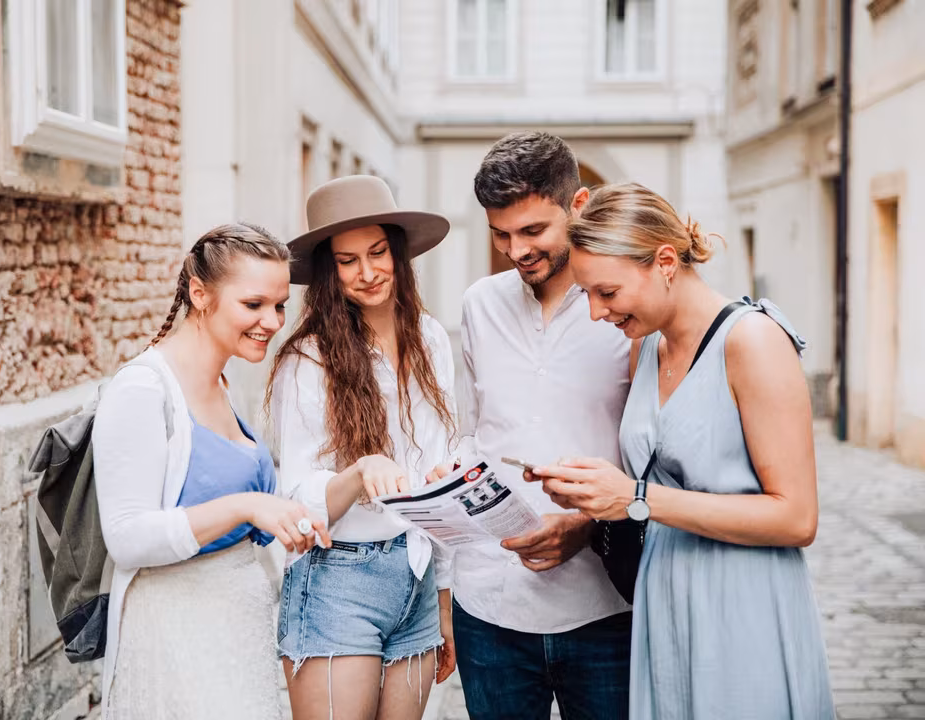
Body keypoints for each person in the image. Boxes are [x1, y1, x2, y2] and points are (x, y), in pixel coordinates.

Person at [530, 182, 835, 719]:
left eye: (607, 292)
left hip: (743, 601)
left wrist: (636, 498)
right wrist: (590, 499)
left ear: (666, 262)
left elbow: (797, 518)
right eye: (587, 295)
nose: (597, 312)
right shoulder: (645, 345)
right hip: (662, 595)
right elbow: (651, 478)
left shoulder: (753, 341)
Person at [92, 224, 331, 720]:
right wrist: (246, 506)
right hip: (176, 636)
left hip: (237, 635)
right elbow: (127, 538)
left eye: (279, 305)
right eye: (253, 304)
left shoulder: (222, 381)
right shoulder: (141, 390)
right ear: (199, 294)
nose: (272, 321)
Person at [442, 132, 634, 720]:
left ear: (578, 205)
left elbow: (651, 456)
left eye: (532, 231)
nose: (516, 250)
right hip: (488, 607)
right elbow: (474, 432)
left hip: (605, 608)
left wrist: (586, 526)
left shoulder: (625, 310)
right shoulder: (479, 304)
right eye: (501, 234)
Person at [265, 175, 458, 720]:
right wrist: (359, 472)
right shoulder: (308, 359)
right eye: (347, 261)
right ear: (329, 271)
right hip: (337, 578)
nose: (368, 272)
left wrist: (444, 602)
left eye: (377, 253)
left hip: (416, 573)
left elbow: (439, 470)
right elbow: (296, 501)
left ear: (398, 253)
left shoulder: (431, 338)